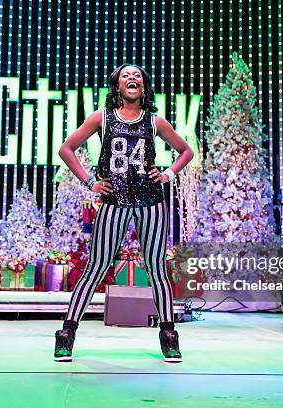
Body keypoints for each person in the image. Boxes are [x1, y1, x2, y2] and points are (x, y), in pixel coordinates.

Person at [54, 64, 194, 362]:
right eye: (126, 76)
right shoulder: (101, 117)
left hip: (151, 201)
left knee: (157, 267)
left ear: (144, 88)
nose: (132, 79)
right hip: (114, 199)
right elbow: (67, 149)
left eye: (138, 76)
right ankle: (67, 333)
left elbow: (186, 151)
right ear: (117, 86)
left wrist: (168, 173)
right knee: (96, 266)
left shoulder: (155, 121)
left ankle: (169, 334)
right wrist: (90, 181)